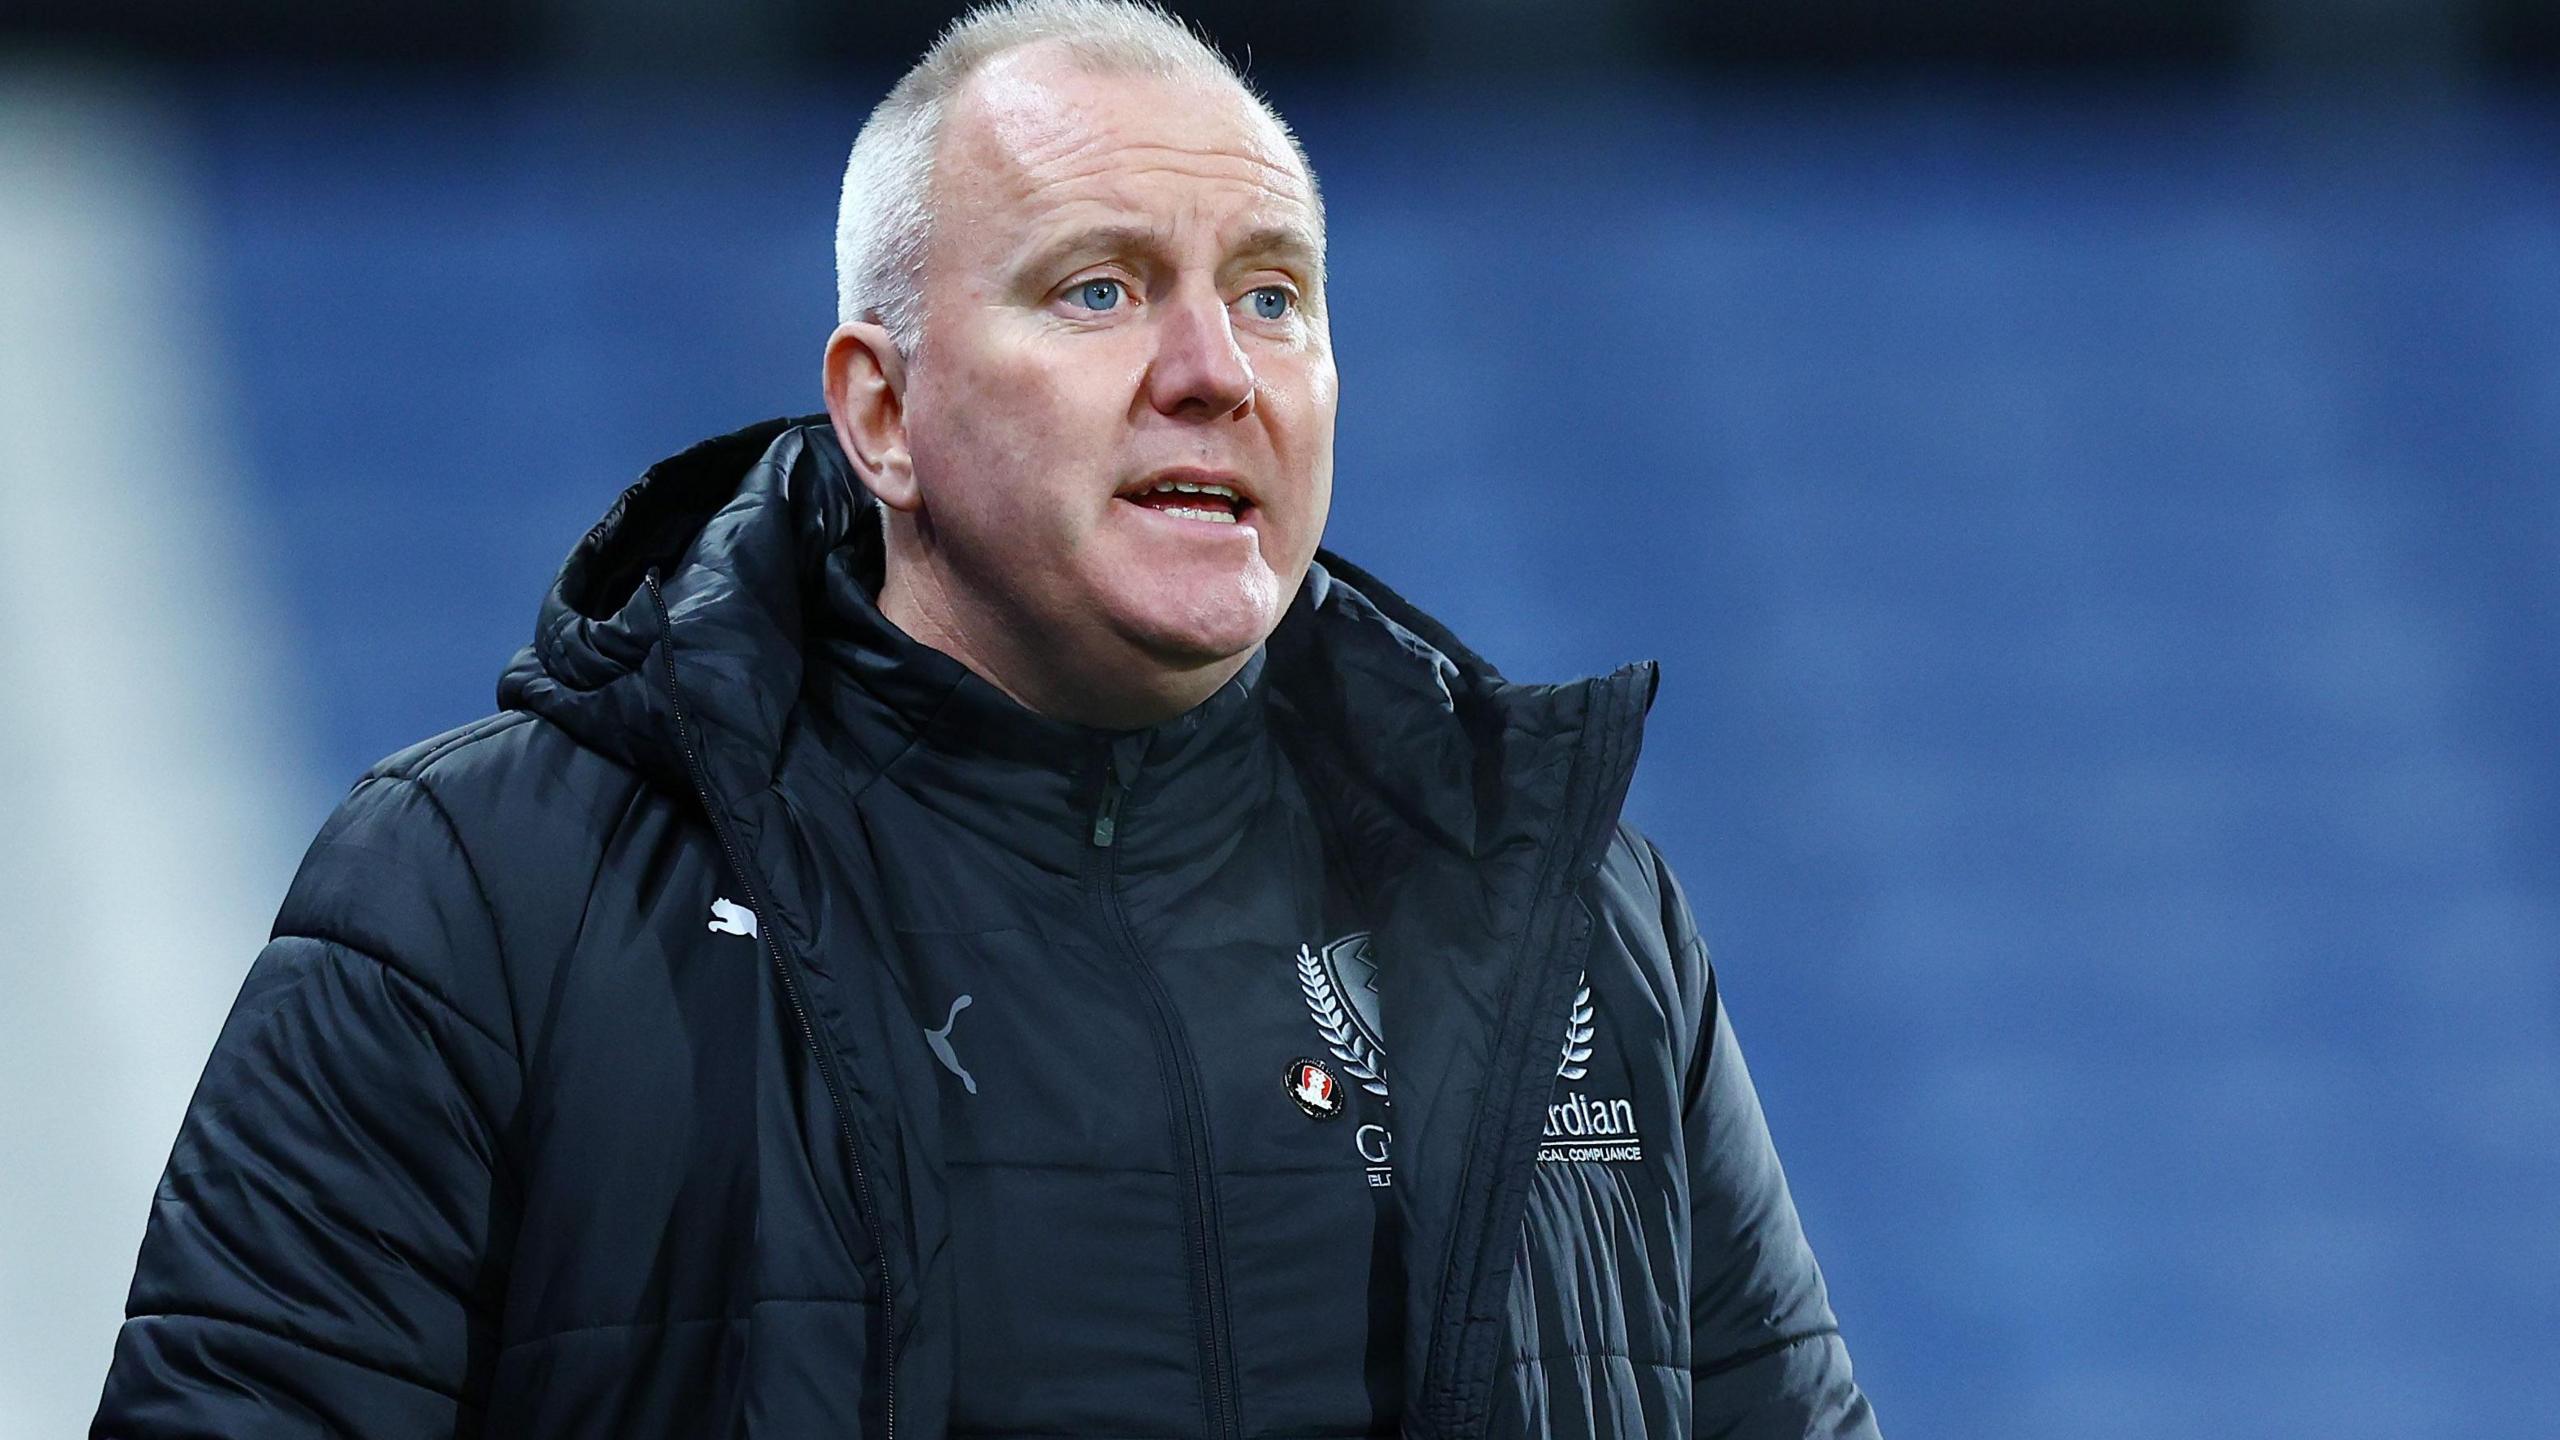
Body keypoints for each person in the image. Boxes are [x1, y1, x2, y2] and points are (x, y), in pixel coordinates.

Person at [92, 2, 1879, 1437]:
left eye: (1274, 296)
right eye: (1098, 289)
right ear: (883, 412)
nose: (1213, 369)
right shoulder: (478, 901)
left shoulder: (1565, 921)